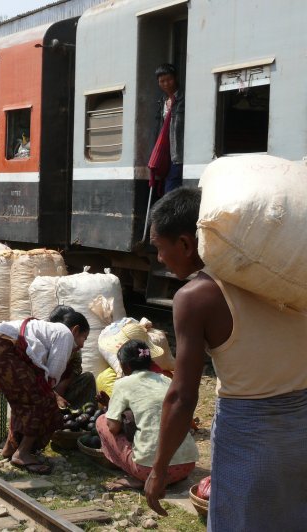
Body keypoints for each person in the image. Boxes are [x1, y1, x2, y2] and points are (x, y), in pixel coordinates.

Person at [144, 188, 307, 530]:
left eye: (160, 247)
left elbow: (182, 396)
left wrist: (159, 469)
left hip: (249, 434)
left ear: (187, 244)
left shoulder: (197, 297)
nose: (159, 257)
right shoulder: (286, 275)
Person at [0, 305, 90, 474]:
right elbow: (54, 373)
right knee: (42, 401)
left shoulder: (46, 330)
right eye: (84, 338)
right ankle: (24, 452)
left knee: (20, 400)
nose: (83, 345)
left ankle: (10, 448)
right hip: (0, 350)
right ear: (75, 330)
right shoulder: (65, 334)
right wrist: (52, 395)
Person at [97, 339, 197, 491]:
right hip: (185, 467)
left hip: (150, 471)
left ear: (126, 365)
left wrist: (110, 408)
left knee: (102, 421)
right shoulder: (165, 379)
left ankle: (137, 477)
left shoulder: (123, 383)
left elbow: (113, 427)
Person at [148, 63, 184, 196]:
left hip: (177, 152)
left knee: (171, 188)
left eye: (169, 79)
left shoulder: (182, 98)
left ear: (175, 79)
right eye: (162, 81)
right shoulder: (162, 100)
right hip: (166, 152)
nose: (166, 84)